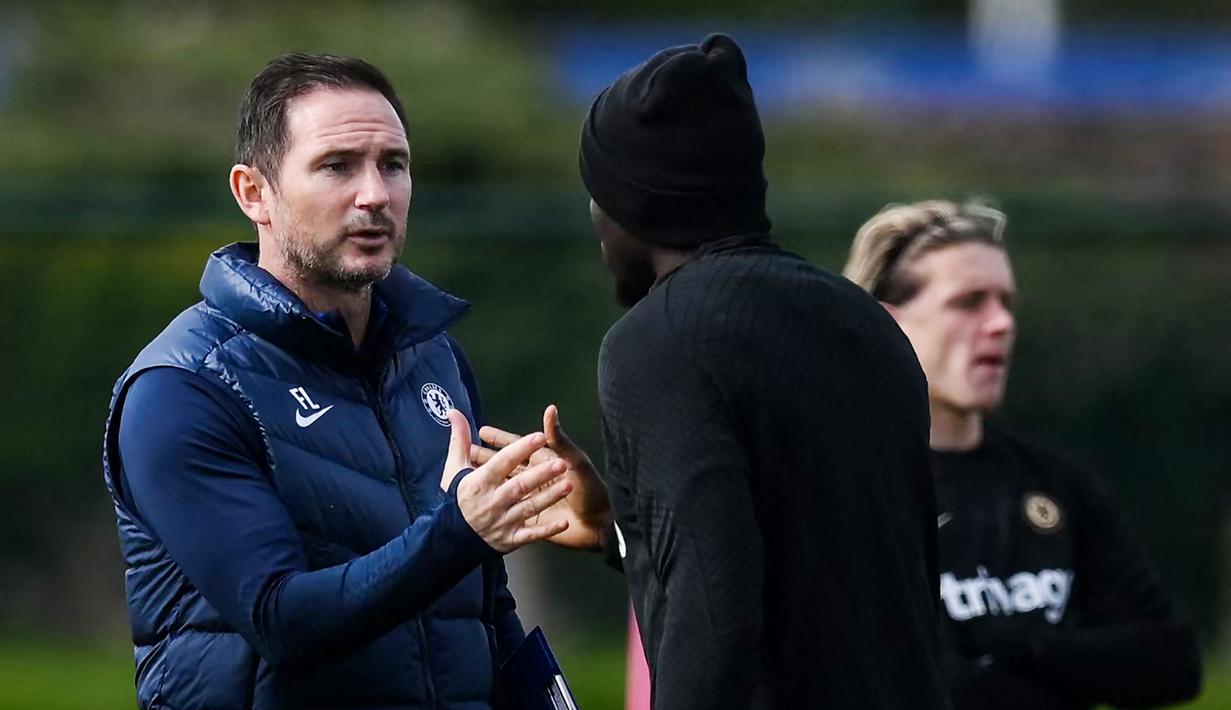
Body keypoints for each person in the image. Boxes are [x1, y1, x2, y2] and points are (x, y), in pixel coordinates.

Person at [482, 34, 951, 709]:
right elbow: (819, 571)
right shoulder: (863, 324)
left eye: (598, 192)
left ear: (634, 202)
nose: (594, 220)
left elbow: (714, 619)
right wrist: (623, 525)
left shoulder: (656, 344)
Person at [101, 53, 577, 709]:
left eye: (394, 164)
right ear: (252, 193)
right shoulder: (181, 387)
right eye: (336, 165)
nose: (375, 194)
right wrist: (458, 530)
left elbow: (482, 609)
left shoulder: (432, 358)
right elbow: (279, 620)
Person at [843, 200, 1203, 709]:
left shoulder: (1055, 482)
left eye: (1006, 302)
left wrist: (1015, 644)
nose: (1001, 323)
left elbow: (1171, 662)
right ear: (887, 322)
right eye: (970, 302)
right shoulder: (843, 491)